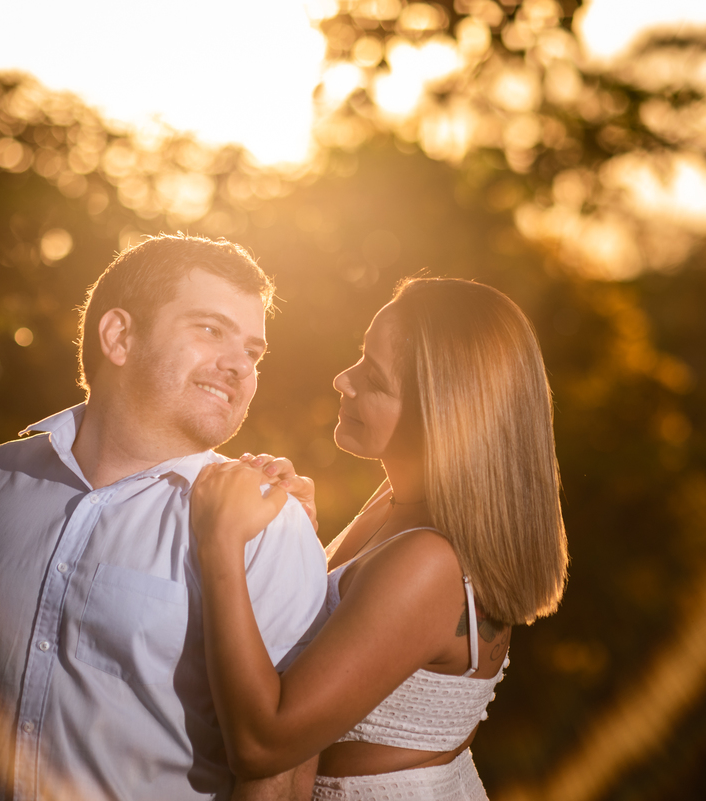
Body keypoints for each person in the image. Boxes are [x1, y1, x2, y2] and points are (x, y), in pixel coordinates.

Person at [0, 234, 328, 801]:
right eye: (210, 330)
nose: (238, 366)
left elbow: (279, 781)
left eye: (253, 351)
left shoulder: (272, 526)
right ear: (119, 336)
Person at [190, 277, 569, 800]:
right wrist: (296, 540)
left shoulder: (429, 560)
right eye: (359, 359)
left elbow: (263, 746)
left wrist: (221, 545)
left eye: (374, 377)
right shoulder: (398, 499)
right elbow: (350, 625)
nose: (343, 380)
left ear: (442, 413)